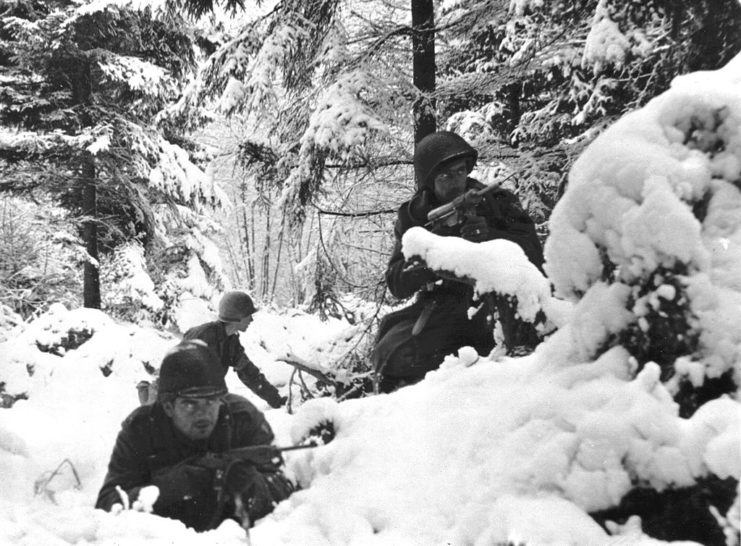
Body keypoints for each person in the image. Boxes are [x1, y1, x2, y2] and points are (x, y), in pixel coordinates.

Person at [373, 131, 544, 393]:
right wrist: (437, 247)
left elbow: (533, 253)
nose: (456, 182)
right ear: (429, 181)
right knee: (393, 354)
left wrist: (491, 236)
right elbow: (397, 282)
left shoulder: (498, 202)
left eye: (460, 171)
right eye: (445, 176)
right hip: (441, 306)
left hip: (497, 302)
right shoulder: (414, 216)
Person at [96, 340, 294, 531]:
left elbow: (285, 484)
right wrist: (175, 485)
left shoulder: (242, 418)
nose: (203, 413)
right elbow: (108, 503)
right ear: (168, 406)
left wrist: (249, 487)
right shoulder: (142, 429)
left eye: (211, 401)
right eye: (190, 404)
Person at [183, 291, 285, 409]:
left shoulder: (231, 342)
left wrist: (276, 400)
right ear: (238, 317)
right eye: (248, 316)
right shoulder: (202, 337)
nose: (251, 320)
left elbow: (249, 374)